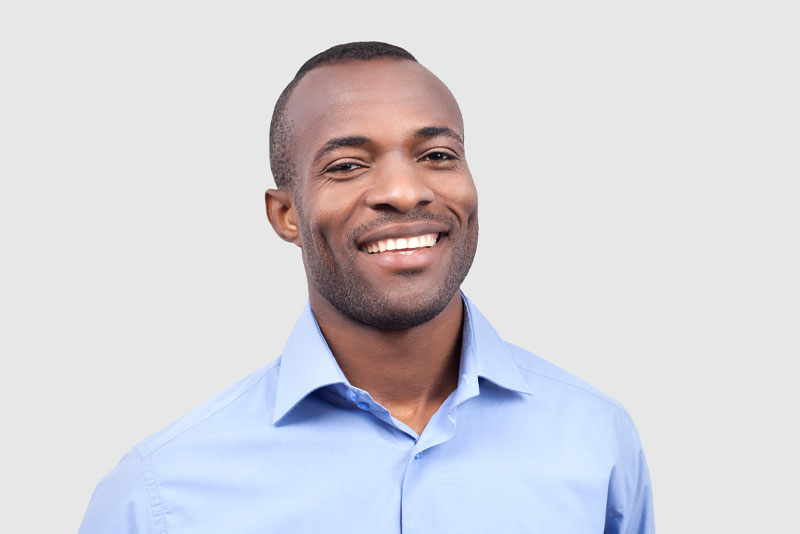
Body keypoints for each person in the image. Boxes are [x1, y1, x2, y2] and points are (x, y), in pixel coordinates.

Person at [80, 41, 654, 533]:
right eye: (348, 165)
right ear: (285, 215)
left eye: (437, 155)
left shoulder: (597, 441)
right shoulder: (159, 495)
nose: (405, 192)